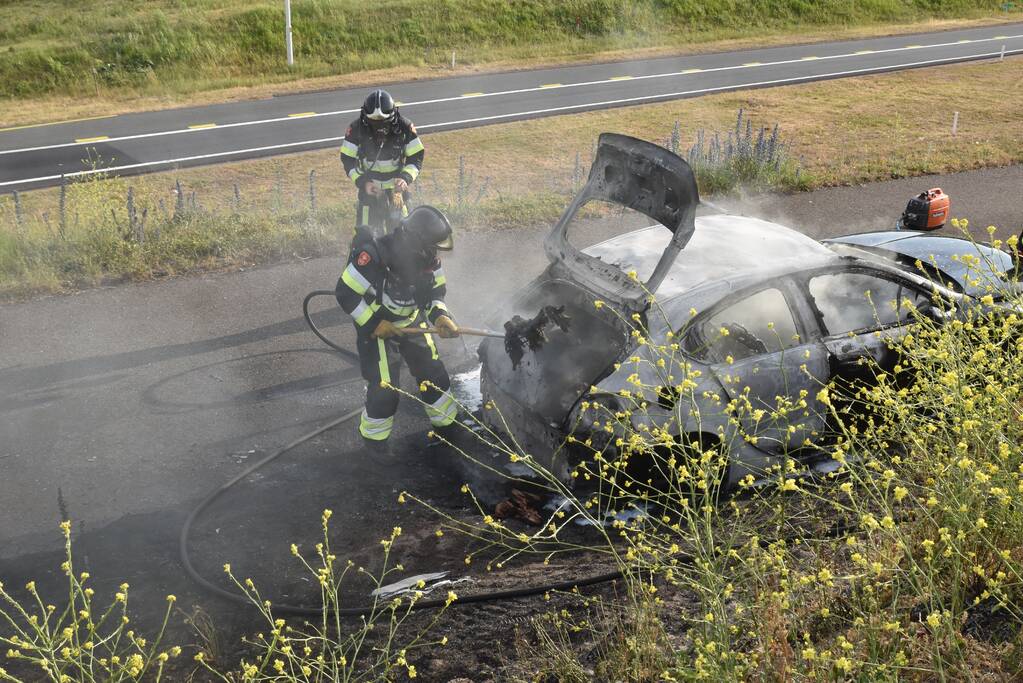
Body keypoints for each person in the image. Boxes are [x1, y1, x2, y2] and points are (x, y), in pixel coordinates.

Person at [335, 205, 460, 446]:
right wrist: (373, 323)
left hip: (412, 321)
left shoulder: (429, 258)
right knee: (385, 390)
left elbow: (436, 291)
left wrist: (440, 316)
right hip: (378, 331)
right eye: (432, 246)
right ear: (417, 243)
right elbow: (345, 293)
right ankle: (375, 445)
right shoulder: (374, 255)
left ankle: (448, 430)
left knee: (434, 375)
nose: (436, 253)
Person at [339, 89, 425, 232]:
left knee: (404, 237)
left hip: (397, 194)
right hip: (369, 193)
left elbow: (416, 156)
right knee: (365, 238)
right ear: (365, 116)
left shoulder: (405, 127)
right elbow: (347, 159)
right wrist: (363, 182)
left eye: (383, 123)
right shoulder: (355, 129)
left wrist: (405, 178)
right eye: (373, 122)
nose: (379, 128)